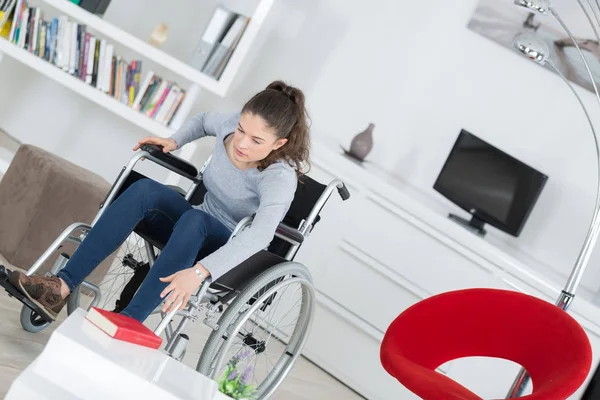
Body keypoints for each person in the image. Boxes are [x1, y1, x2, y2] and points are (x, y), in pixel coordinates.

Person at [9, 80, 311, 323]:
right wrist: (175, 140)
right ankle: (59, 288)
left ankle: (129, 321)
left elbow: (260, 235)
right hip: (192, 227)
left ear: (279, 144)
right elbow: (204, 120)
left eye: (257, 141)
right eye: (242, 130)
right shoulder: (232, 125)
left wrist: (199, 272)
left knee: (195, 219)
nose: (242, 142)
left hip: (225, 246)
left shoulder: (279, 178)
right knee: (146, 190)